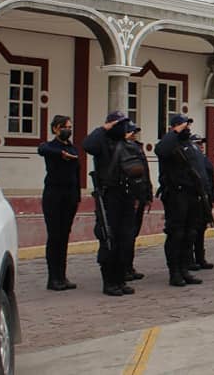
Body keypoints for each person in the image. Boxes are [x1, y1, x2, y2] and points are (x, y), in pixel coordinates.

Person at [83, 111, 138, 296]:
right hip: (109, 197)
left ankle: (121, 279)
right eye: (118, 124)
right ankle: (109, 282)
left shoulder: (126, 145)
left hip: (126, 196)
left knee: (125, 239)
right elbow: (87, 145)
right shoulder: (102, 143)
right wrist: (104, 128)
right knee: (109, 239)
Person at [155, 114, 204, 287]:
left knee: (190, 233)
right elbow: (160, 150)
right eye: (184, 126)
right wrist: (174, 132)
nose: (187, 129)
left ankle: (185, 269)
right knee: (176, 234)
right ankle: (174, 272)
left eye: (188, 126)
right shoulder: (169, 144)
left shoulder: (189, 145)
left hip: (192, 194)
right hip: (176, 194)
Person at [37, 115, 80, 291]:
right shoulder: (51, 147)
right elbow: (42, 149)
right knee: (54, 236)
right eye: (64, 127)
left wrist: (77, 197)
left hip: (69, 196)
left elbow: (77, 173)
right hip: (53, 196)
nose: (68, 130)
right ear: (55, 128)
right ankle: (53, 277)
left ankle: (62, 276)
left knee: (64, 236)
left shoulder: (73, 148)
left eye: (69, 127)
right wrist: (60, 153)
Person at [123, 123, 152, 282]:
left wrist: (147, 194)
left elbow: (145, 172)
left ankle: (129, 266)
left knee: (133, 234)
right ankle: (123, 267)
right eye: (131, 132)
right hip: (129, 195)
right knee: (126, 234)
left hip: (140, 194)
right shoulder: (122, 149)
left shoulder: (137, 148)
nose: (134, 135)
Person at [188, 134, 214, 271]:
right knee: (192, 230)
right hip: (195, 198)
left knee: (201, 230)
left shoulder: (205, 160)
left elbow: (209, 180)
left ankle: (200, 257)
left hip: (206, 198)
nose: (201, 146)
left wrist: (212, 195)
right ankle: (189, 259)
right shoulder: (190, 160)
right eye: (198, 143)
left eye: (202, 144)